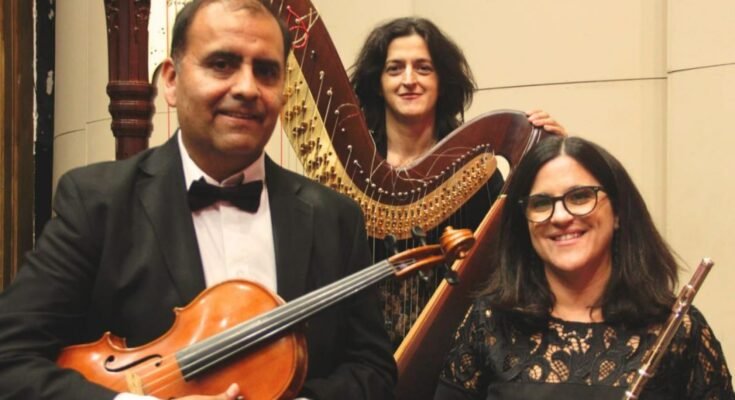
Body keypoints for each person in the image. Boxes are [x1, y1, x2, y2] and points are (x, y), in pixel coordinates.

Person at [0, 1, 396, 399]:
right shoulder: (95, 203)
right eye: (222, 64)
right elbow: (10, 358)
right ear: (171, 81)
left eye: (266, 71)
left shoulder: (335, 218)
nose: (247, 88)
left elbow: (374, 371)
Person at [434, 136, 735, 399]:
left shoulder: (679, 330)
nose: (560, 217)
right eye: (541, 203)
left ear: (618, 212)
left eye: (580, 197)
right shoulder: (490, 323)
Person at [349, 17, 566, 348]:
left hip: (455, 344)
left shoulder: (475, 169)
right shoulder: (354, 171)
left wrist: (557, 159)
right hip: (365, 348)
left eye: (423, 68)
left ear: (441, 81)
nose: (409, 80)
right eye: (395, 69)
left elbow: (520, 248)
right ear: (378, 83)